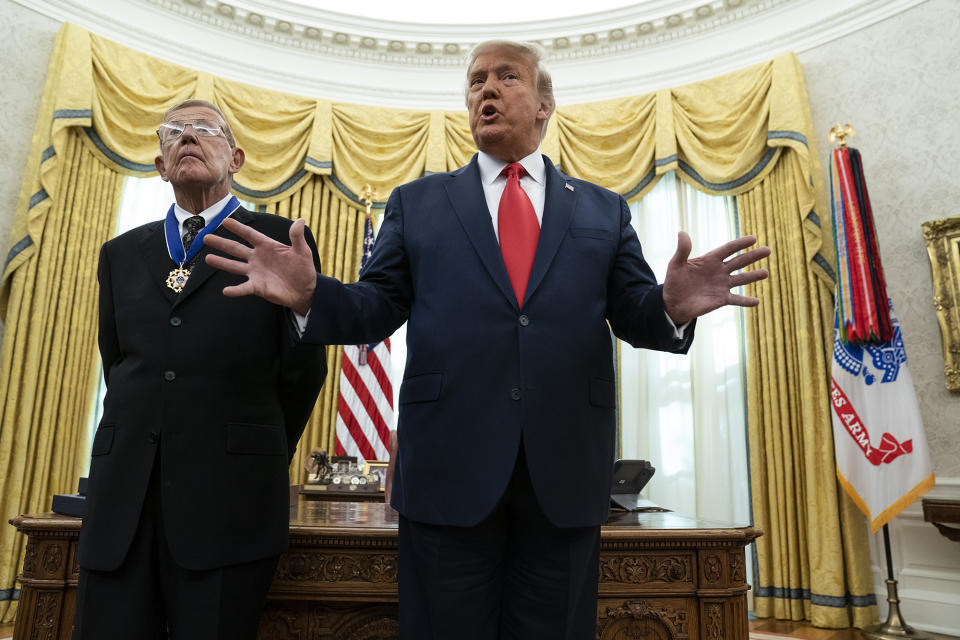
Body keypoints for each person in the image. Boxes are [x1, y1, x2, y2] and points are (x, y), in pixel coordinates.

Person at [204, 41, 770, 639]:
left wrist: (671, 307)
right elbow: (376, 309)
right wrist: (313, 296)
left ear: (544, 105)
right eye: (476, 81)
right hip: (448, 466)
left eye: (507, 77)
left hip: (565, 472)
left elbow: (634, 313)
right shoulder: (418, 203)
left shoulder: (604, 210)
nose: (487, 90)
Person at [73, 99, 327, 640]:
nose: (187, 135)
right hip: (123, 501)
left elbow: (302, 372)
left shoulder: (279, 242)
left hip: (229, 500)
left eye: (204, 128)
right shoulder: (120, 253)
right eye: (173, 132)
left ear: (235, 157)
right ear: (160, 165)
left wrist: (254, 447)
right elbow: (116, 362)